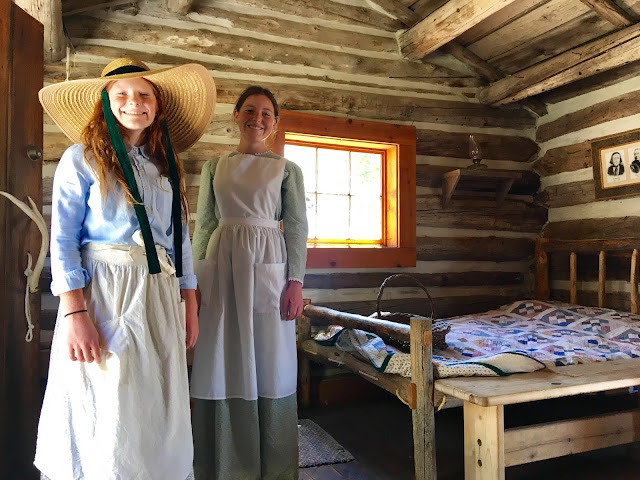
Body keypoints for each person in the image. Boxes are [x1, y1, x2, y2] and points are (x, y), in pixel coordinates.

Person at [34, 57, 216, 480]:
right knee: (108, 396)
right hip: (105, 292)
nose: (134, 102)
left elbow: (180, 241)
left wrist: (189, 303)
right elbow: (64, 240)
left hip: (158, 294)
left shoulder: (164, 167)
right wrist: (75, 313)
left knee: (155, 399)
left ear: (157, 104)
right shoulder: (81, 160)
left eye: (144, 94)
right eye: (122, 94)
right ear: (106, 102)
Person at [190, 86, 308, 480]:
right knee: (222, 353)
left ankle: (273, 467)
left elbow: (296, 226)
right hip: (221, 267)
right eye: (250, 110)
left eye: (266, 113)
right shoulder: (214, 167)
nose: (258, 119)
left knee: (271, 359)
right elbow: (205, 224)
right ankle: (224, 463)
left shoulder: (287, 170)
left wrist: (295, 281)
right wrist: (195, 281)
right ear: (236, 115)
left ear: (275, 123)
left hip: (269, 265)